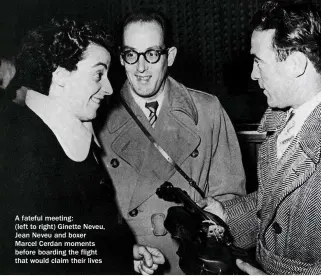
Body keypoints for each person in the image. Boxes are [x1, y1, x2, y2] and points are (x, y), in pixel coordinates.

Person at [200, 1, 321, 274]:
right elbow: (278, 202)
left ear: (297, 64)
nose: (253, 74)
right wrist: (225, 216)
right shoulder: (288, 114)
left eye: (258, 61)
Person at [0, 18, 164, 274]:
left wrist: (119, 251)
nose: (109, 88)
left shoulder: (62, 133)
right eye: (99, 74)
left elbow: (64, 239)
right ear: (61, 75)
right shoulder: (22, 147)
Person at [96, 9, 246, 274]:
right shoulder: (98, 118)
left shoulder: (208, 111)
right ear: (121, 57)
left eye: (152, 54)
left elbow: (231, 201)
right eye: (131, 55)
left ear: (171, 56)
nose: (140, 68)